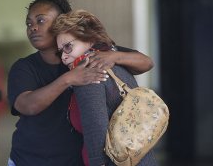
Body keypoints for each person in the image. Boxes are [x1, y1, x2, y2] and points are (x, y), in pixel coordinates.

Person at [7, 0, 154, 166]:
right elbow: (27, 106)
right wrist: (68, 78)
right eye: (29, 23)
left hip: (77, 160)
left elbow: (146, 63)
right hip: (31, 160)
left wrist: (115, 56)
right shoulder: (24, 67)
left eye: (40, 20)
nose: (32, 27)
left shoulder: (88, 53)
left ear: (61, 21)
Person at [50, 9, 159, 166]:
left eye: (67, 47)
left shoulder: (88, 69)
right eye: (60, 52)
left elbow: (96, 129)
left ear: (90, 40)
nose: (63, 57)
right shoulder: (115, 61)